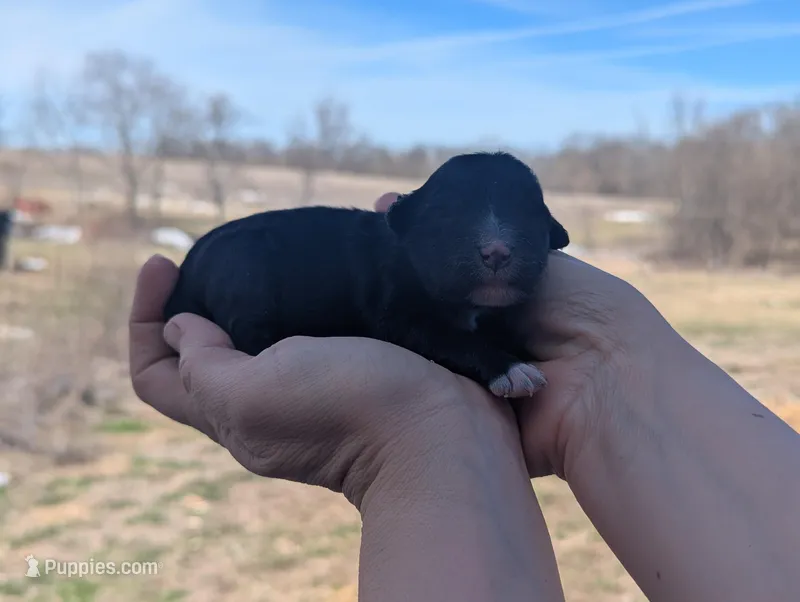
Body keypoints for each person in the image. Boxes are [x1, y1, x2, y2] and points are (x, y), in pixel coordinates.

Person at [129, 192, 800, 602]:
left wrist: (408, 437)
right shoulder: (370, 271)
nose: (495, 250)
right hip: (250, 279)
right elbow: (406, 322)